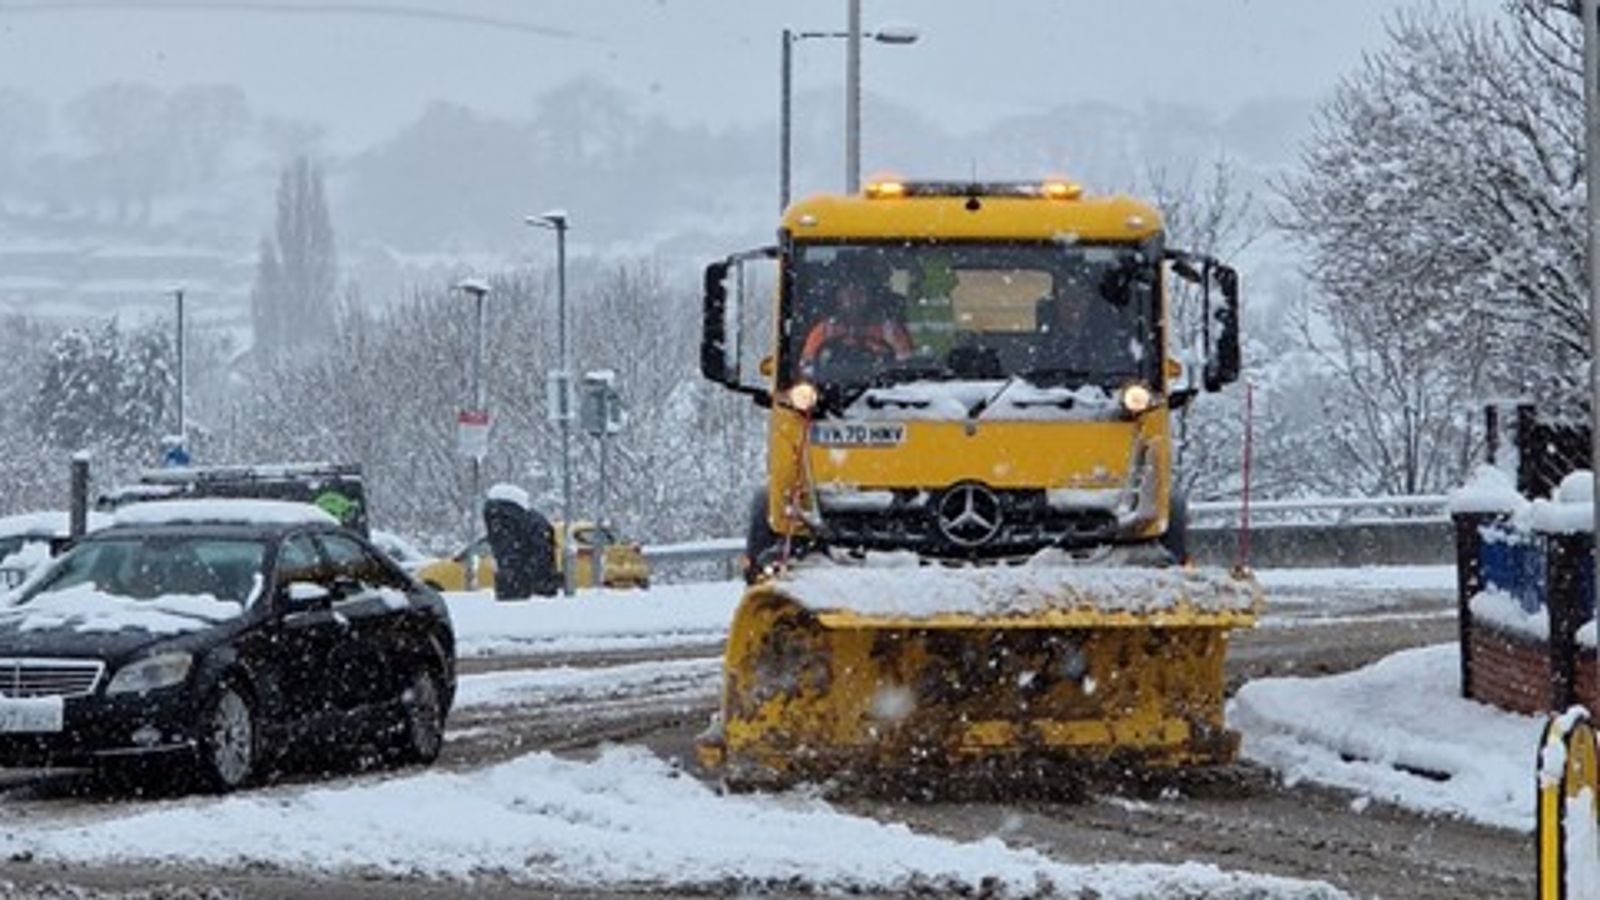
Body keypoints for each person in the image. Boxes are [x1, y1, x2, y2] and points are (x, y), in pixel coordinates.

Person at [799, 279, 913, 379]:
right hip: (833, 387)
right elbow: (807, 366)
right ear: (839, 298)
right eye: (847, 293)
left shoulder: (889, 330)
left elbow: (904, 366)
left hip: (880, 389)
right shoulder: (824, 330)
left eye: (859, 293)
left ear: (869, 297)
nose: (853, 299)